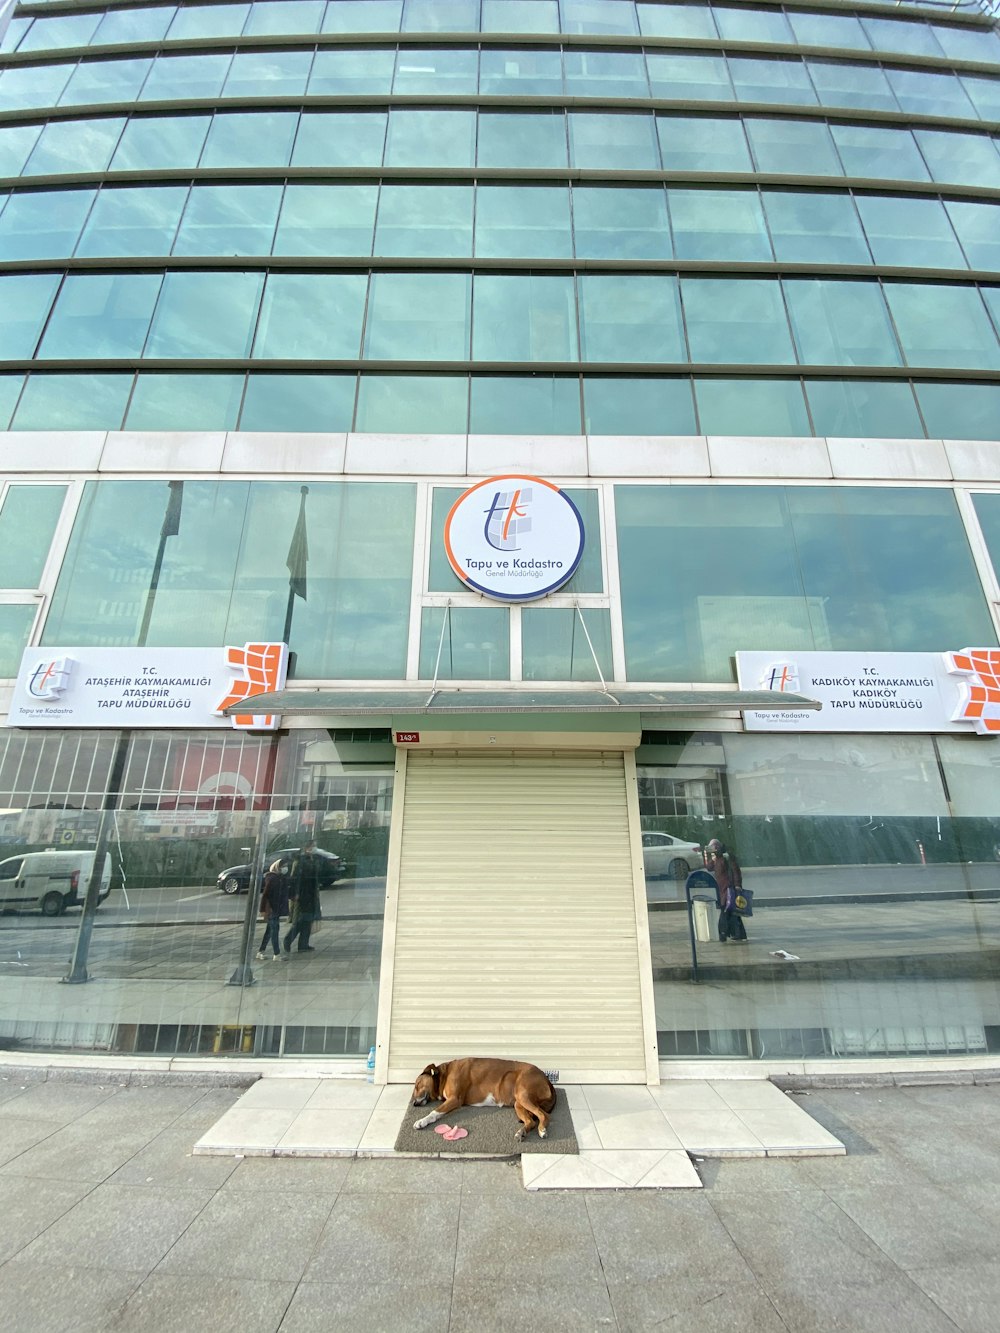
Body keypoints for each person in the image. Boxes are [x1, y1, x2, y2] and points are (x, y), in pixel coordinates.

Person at [283, 840, 322, 955]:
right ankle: (288, 939)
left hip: (311, 893)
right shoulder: (300, 861)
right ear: (306, 848)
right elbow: (295, 878)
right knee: (302, 919)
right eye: (312, 846)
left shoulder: (313, 859)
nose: (314, 848)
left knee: (308, 919)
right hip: (303, 893)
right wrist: (295, 893)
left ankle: (303, 944)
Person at [707, 837, 747, 943]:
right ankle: (738, 934)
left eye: (713, 847)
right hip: (722, 889)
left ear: (718, 847)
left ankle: (723, 934)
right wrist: (711, 858)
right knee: (732, 912)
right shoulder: (717, 858)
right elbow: (709, 867)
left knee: (725, 911)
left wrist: (738, 884)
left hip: (729, 888)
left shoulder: (727, 856)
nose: (712, 849)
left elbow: (735, 871)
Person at [255, 859, 290, 961]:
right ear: (277, 867)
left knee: (269, 931)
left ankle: (260, 951)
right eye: (283, 866)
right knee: (275, 931)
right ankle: (276, 954)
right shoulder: (272, 879)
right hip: (271, 909)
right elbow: (265, 895)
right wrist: (263, 909)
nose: (285, 868)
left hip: (276, 909)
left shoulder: (280, 878)